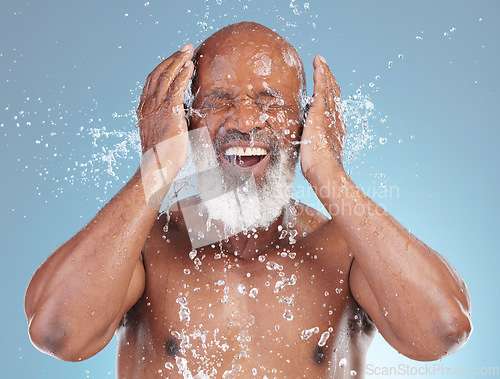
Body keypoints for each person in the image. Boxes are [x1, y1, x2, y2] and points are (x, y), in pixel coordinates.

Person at [25, 22, 471, 378]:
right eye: (219, 101)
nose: (245, 120)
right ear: (186, 121)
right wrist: (156, 168)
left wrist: (332, 178)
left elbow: (440, 333)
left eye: (270, 102)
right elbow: (58, 333)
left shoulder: (346, 248)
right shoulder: (146, 244)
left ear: (305, 123)